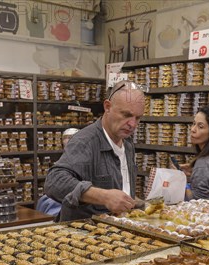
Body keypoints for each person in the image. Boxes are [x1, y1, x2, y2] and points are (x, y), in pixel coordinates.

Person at [44, 80, 145, 221]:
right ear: (107, 107)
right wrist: (104, 196)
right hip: (84, 234)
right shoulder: (85, 141)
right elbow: (54, 182)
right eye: (126, 115)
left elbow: (121, 189)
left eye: (138, 118)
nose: (133, 124)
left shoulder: (127, 144)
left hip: (118, 232)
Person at [36, 128, 80, 217]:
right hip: (59, 196)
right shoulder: (63, 159)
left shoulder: (84, 159)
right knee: (43, 202)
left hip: (75, 197)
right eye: (66, 137)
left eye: (71, 137)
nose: (68, 139)